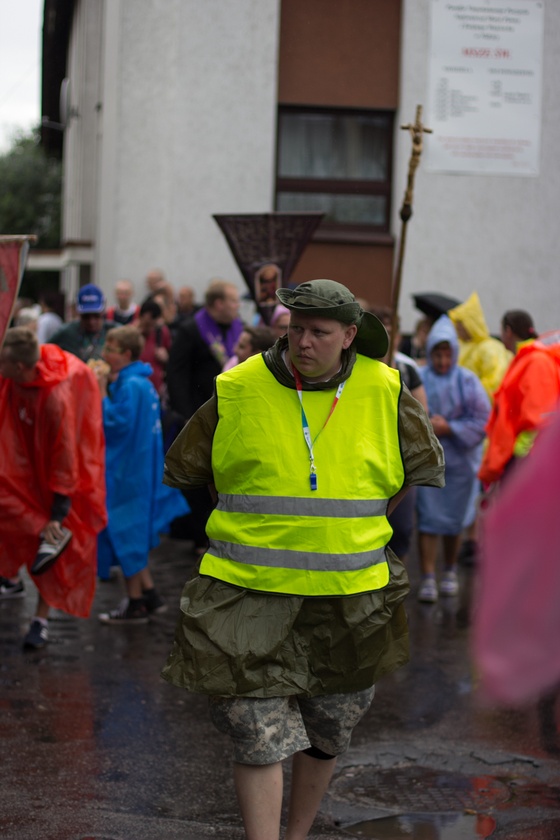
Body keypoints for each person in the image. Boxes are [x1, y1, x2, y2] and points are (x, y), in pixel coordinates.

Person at [162, 279, 444, 840]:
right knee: (255, 730)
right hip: (247, 592)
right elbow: (189, 469)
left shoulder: (384, 387)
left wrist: (362, 521)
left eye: (319, 333)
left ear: (348, 336)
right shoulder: (238, 386)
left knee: (328, 728)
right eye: (296, 329)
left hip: (350, 597)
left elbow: (419, 467)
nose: (303, 343)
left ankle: (297, 835)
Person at [0, 327, 106, 649]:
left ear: (19, 367)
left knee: (46, 544)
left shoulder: (55, 398)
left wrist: (58, 513)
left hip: (52, 478)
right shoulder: (15, 376)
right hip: (20, 467)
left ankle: (40, 619)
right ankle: (13, 578)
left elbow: (65, 455)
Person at [94, 326, 188, 624]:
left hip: (127, 474)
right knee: (133, 533)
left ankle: (134, 602)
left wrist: (99, 391)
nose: (103, 354)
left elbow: (114, 422)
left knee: (126, 535)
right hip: (140, 470)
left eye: (109, 348)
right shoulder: (141, 382)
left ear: (125, 354)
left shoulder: (130, 385)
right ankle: (149, 593)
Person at [415, 316, 490, 603]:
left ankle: (449, 569)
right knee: (429, 520)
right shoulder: (421, 378)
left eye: (448, 355)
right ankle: (428, 576)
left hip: (460, 466)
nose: (443, 361)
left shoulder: (468, 381)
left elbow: (483, 421)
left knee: (454, 521)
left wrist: (450, 428)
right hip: (429, 463)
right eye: (438, 354)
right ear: (430, 352)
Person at [447, 291, 513, 565]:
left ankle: (478, 543)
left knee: (481, 492)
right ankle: (470, 541)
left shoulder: (489, 349)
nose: (458, 328)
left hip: (483, 433)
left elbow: (494, 386)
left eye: (461, 323)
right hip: (467, 432)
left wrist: (463, 393)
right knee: (469, 491)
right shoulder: (467, 347)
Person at [370, 306, 429, 565]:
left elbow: (422, 414)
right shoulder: (359, 365)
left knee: (401, 529)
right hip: (367, 457)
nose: (388, 337)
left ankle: (397, 584)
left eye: (392, 332)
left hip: (399, 459)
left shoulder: (406, 367)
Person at [479, 309, 560, 488]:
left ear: (508, 331)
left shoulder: (535, 361)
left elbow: (539, 418)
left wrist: (521, 459)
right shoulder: (527, 359)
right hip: (517, 458)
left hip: (523, 461)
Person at [50, 284, 116, 362]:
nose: (91, 321)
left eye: (96, 316)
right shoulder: (67, 332)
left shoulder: (114, 331)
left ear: (103, 311)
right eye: (86, 316)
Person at [137, 298, 172, 398]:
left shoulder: (162, 332)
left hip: (156, 389)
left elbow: (174, 361)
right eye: (147, 324)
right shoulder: (131, 333)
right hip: (136, 388)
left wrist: (166, 358)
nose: (150, 328)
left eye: (153, 324)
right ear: (140, 318)